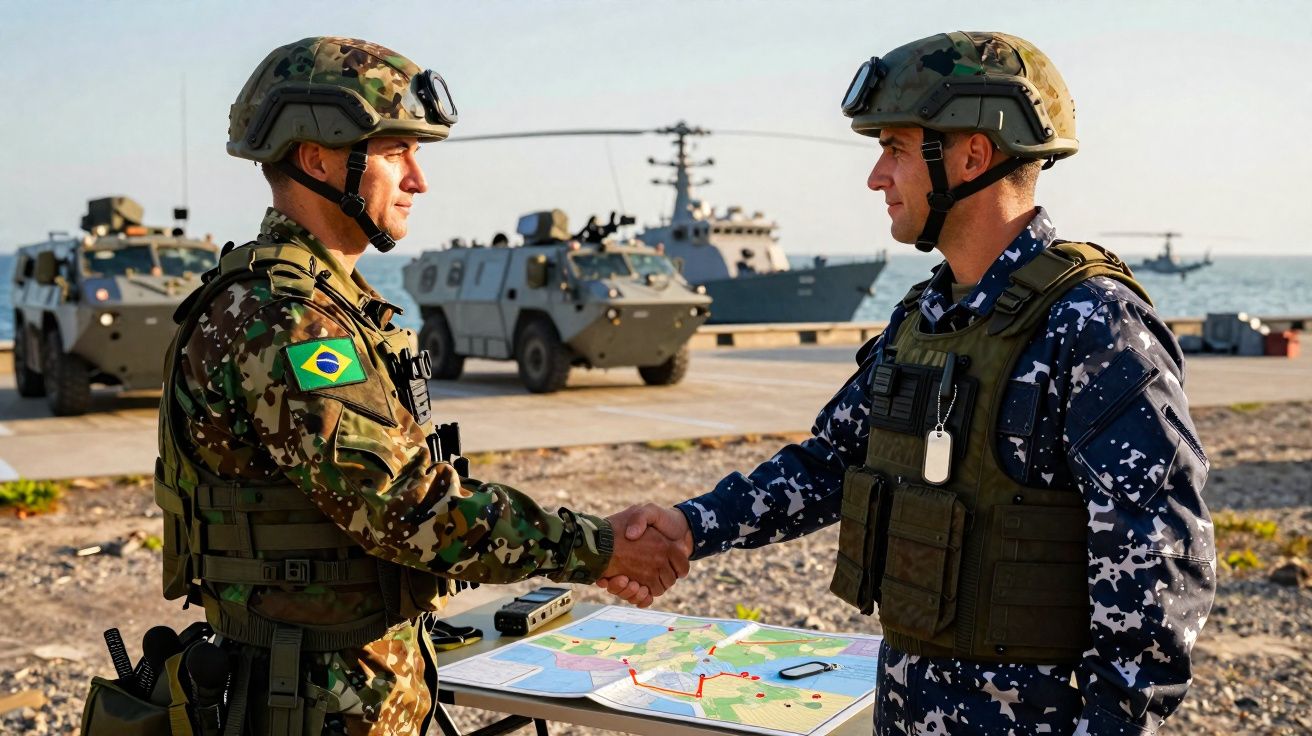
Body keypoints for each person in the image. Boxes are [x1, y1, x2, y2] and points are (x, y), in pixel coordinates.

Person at [602, 31, 1214, 734]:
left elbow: (1159, 555)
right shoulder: (924, 317)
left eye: (893, 148)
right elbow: (832, 462)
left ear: (971, 156)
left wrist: (1113, 723)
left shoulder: (1093, 325)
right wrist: (689, 525)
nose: (875, 176)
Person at [154, 36, 686, 735]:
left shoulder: (320, 300)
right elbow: (404, 507)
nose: (418, 179)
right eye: (396, 150)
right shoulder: (288, 318)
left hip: (343, 684)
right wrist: (600, 546)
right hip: (314, 700)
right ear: (318, 157)